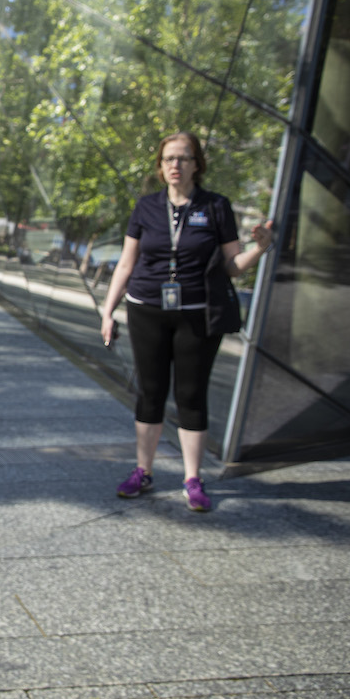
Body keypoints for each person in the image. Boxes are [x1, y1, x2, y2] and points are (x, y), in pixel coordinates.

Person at [98, 131, 272, 512]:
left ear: (197, 165)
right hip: (146, 309)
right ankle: (143, 472)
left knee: (191, 395)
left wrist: (260, 247)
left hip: (197, 314)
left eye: (184, 158)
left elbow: (231, 267)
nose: (176, 165)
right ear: (160, 167)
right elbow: (126, 262)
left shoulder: (216, 207)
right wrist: (107, 310)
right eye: (169, 159)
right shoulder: (146, 207)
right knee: (150, 392)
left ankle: (193, 478)